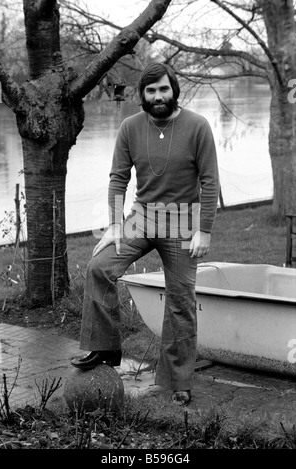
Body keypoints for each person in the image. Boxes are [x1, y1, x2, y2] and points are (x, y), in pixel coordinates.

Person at [71, 62, 220, 406]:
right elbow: (118, 179)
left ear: (174, 90)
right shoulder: (130, 127)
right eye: (150, 91)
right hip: (142, 218)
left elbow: (210, 181)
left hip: (184, 220)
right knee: (99, 267)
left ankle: (176, 383)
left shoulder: (197, 126)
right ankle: (105, 348)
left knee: (180, 299)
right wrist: (113, 224)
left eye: (163, 89)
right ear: (142, 95)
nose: (157, 96)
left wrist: (205, 230)